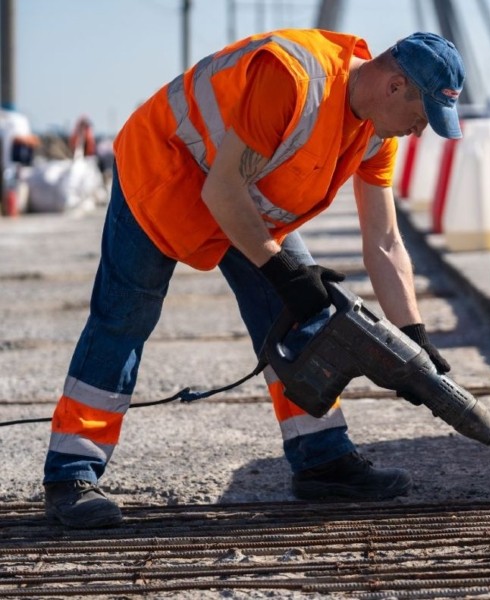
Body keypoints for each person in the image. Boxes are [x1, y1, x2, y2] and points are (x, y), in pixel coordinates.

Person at [42, 29, 465, 529]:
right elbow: (222, 190)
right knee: (124, 318)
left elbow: (385, 241)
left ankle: (322, 461)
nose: (418, 132)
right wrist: (280, 269)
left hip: (248, 199)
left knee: (306, 321)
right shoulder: (293, 78)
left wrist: (414, 341)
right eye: (421, 118)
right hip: (167, 169)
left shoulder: (376, 130)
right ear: (396, 85)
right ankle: (71, 475)